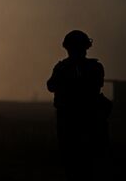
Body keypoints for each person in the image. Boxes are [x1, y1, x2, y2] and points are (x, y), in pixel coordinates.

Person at [47, 30, 112, 181]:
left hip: (79, 120)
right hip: (85, 120)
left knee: (77, 163)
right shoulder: (94, 67)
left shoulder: (63, 68)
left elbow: (51, 86)